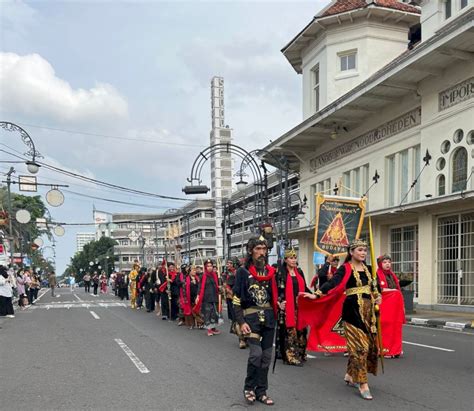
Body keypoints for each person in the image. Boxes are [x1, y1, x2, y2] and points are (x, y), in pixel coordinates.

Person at [302, 239, 381, 400]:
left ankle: (350, 375)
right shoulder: (345, 269)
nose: (363, 253)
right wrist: (316, 294)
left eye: (365, 250)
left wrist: (378, 296)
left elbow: (375, 287)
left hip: (369, 313)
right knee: (360, 348)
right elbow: (332, 283)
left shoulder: (370, 269)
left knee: (370, 346)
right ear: (351, 252)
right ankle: (362, 382)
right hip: (352, 312)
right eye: (360, 250)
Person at [233, 237, 279, 406]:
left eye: (264, 249)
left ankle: (262, 391)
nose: (262, 252)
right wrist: (241, 321)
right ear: (251, 250)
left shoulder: (271, 272)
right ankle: (249, 388)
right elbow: (236, 300)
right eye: (258, 249)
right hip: (251, 319)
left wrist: (280, 302)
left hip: (268, 319)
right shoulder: (243, 272)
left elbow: (275, 296)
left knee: (266, 356)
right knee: (256, 354)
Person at [277, 249, 310, 366]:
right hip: (287, 307)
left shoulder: (299, 272)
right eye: (291, 258)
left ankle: (301, 353)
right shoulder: (281, 273)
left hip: (300, 307)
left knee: (302, 331)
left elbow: (305, 288)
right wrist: (279, 303)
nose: (294, 260)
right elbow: (277, 290)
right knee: (290, 332)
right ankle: (290, 356)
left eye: (295, 258)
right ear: (286, 260)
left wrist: (314, 295)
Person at [377, 254, 405, 359]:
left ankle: (395, 349)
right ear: (380, 264)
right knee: (385, 328)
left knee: (396, 328)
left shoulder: (392, 275)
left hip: (394, 307)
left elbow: (397, 290)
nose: (387, 264)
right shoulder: (377, 275)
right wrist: (394, 292)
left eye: (389, 262)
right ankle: (385, 349)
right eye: (384, 262)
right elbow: (380, 290)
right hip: (384, 307)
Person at [194, 259, 220, 337]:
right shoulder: (203, 276)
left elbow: (217, 285)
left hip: (214, 296)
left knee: (214, 314)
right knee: (208, 313)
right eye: (208, 266)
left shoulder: (215, 275)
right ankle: (209, 329)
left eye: (211, 266)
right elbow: (199, 287)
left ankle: (213, 328)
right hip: (206, 297)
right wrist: (198, 296)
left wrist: (220, 287)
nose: (209, 267)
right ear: (205, 267)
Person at [224, 258, 246, 348]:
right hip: (238, 297)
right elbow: (231, 286)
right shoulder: (236, 274)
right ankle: (242, 339)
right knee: (239, 319)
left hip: (248, 298)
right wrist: (230, 292)